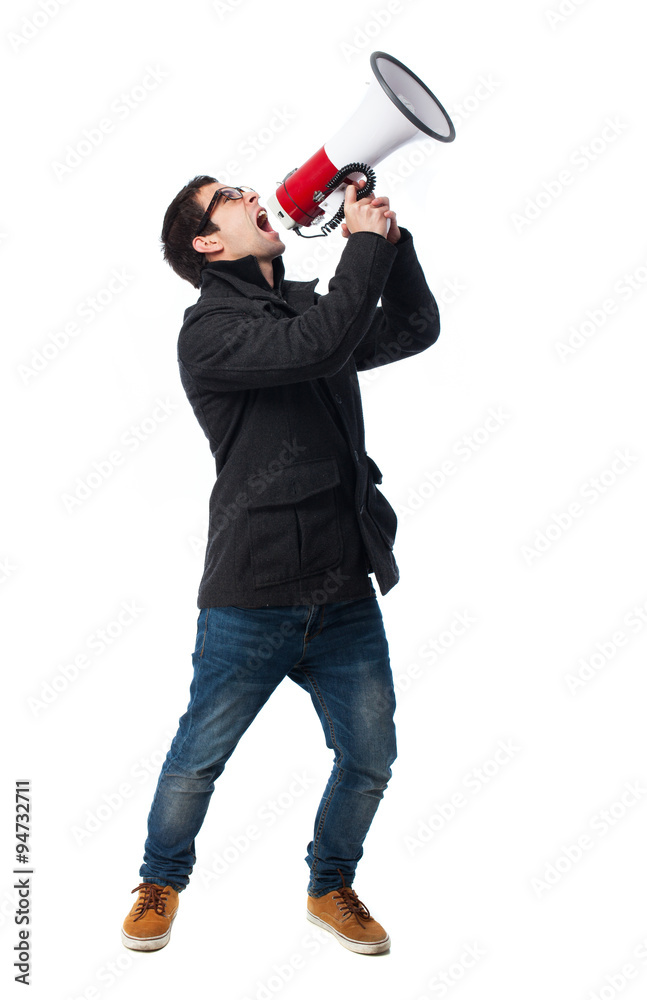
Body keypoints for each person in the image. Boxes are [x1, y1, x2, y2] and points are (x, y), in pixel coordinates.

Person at [121, 175, 441, 956]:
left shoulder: (306, 307)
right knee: (198, 759)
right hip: (251, 594)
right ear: (206, 241)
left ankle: (330, 885)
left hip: (343, 586)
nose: (253, 193)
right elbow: (321, 345)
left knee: (370, 757)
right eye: (228, 195)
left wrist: (389, 249)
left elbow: (412, 328)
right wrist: (358, 246)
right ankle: (160, 878)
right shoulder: (209, 332)